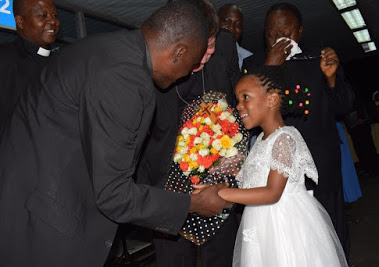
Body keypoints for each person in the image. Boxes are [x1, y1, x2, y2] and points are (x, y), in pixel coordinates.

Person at [0, 2, 231, 266]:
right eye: (191, 64)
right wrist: (192, 203)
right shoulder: (124, 77)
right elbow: (113, 195)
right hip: (45, 227)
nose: (189, 73)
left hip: (34, 204)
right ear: (179, 52)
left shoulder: (110, 49)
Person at [194, 65, 348, 266]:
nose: (239, 106)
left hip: (282, 223)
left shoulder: (284, 138)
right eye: (238, 99)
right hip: (260, 222)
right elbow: (254, 178)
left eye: (245, 97)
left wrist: (220, 194)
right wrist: (224, 169)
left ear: (272, 99)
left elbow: (272, 192)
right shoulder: (260, 140)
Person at [134, 1, 241, 266]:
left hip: (217, 179)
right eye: (203, 48)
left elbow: (237, 103)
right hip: (167, 181)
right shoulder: (156, 49)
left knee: (220, 255)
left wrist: (235, 157)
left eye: (211, 45)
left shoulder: (225, 46)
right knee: (174, 258)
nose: (207, 55)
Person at [243, 2, 354, 257]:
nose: (280, 37)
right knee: (287, 243)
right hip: (277, 172)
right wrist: (267, 70)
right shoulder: (254, 64)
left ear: (300, 31)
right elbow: (247, 114)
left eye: (287, 31)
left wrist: (331, 78)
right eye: (272, 32)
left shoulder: (320, 58)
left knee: (331, 236)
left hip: (321, 167)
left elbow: (345, 106)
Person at [0, 0, 60, 128]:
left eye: (54, 16)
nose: (52, 22)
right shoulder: (5, 57)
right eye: (42, 16)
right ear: (20, 22)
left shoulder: (61, 64)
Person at [218, 3, 252, 71]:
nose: (231, 27)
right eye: (227, 21)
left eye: (237, 24)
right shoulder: (202, 53)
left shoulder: (250, 59)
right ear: (216, 22)